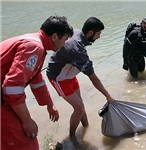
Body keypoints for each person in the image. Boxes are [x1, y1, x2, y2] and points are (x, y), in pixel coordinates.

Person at [1, 16, 74, 150]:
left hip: (4, 97)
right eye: (64, 40)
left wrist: (49, 104)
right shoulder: (34, 47)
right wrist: (26, 120)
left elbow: (36, 79)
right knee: (26, 138)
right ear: (55, 36)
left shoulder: (34, 42)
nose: (64, 44)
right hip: (3, 100)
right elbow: (12, 87)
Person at [46, 17, 115, 139]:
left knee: (80, 105)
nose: (99, 37)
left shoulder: (77, 33)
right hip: (58, 78)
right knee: (79, 108)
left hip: (70, 75)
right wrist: (107, 95)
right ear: (90, 33)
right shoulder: (77, 50)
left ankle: (86, 127)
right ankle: (72, 138)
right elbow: (93, 78)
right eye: (98, 34)